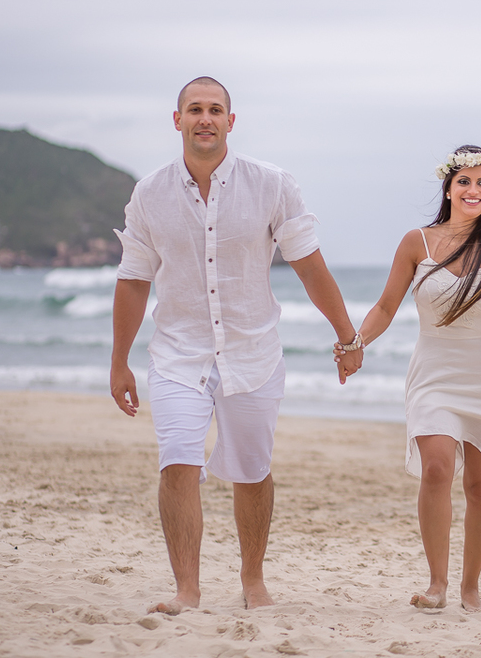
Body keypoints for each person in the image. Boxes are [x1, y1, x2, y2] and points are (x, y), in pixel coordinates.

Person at [109, 76, 363, 614]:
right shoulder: (148, 194)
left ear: (231, 121)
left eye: (215, 110)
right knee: (177, 460)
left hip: (253, 352)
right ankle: (188, 591)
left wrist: (347, 335)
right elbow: (133, 278)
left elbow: (309, 266)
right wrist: (119, 361)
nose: (205, 118)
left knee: (251, 470)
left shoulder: (271, 185)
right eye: (195, 109)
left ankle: (253, 581)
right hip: (178, 353)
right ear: (176, 120)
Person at [340, 145, 481, 613]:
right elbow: (386, 307)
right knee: (437, 469)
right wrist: (355, 343)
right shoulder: (416, 243)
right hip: (434, 377)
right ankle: (437, 584)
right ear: (448, 188)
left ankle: (470, 587)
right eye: (464, 181)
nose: (473, 189)